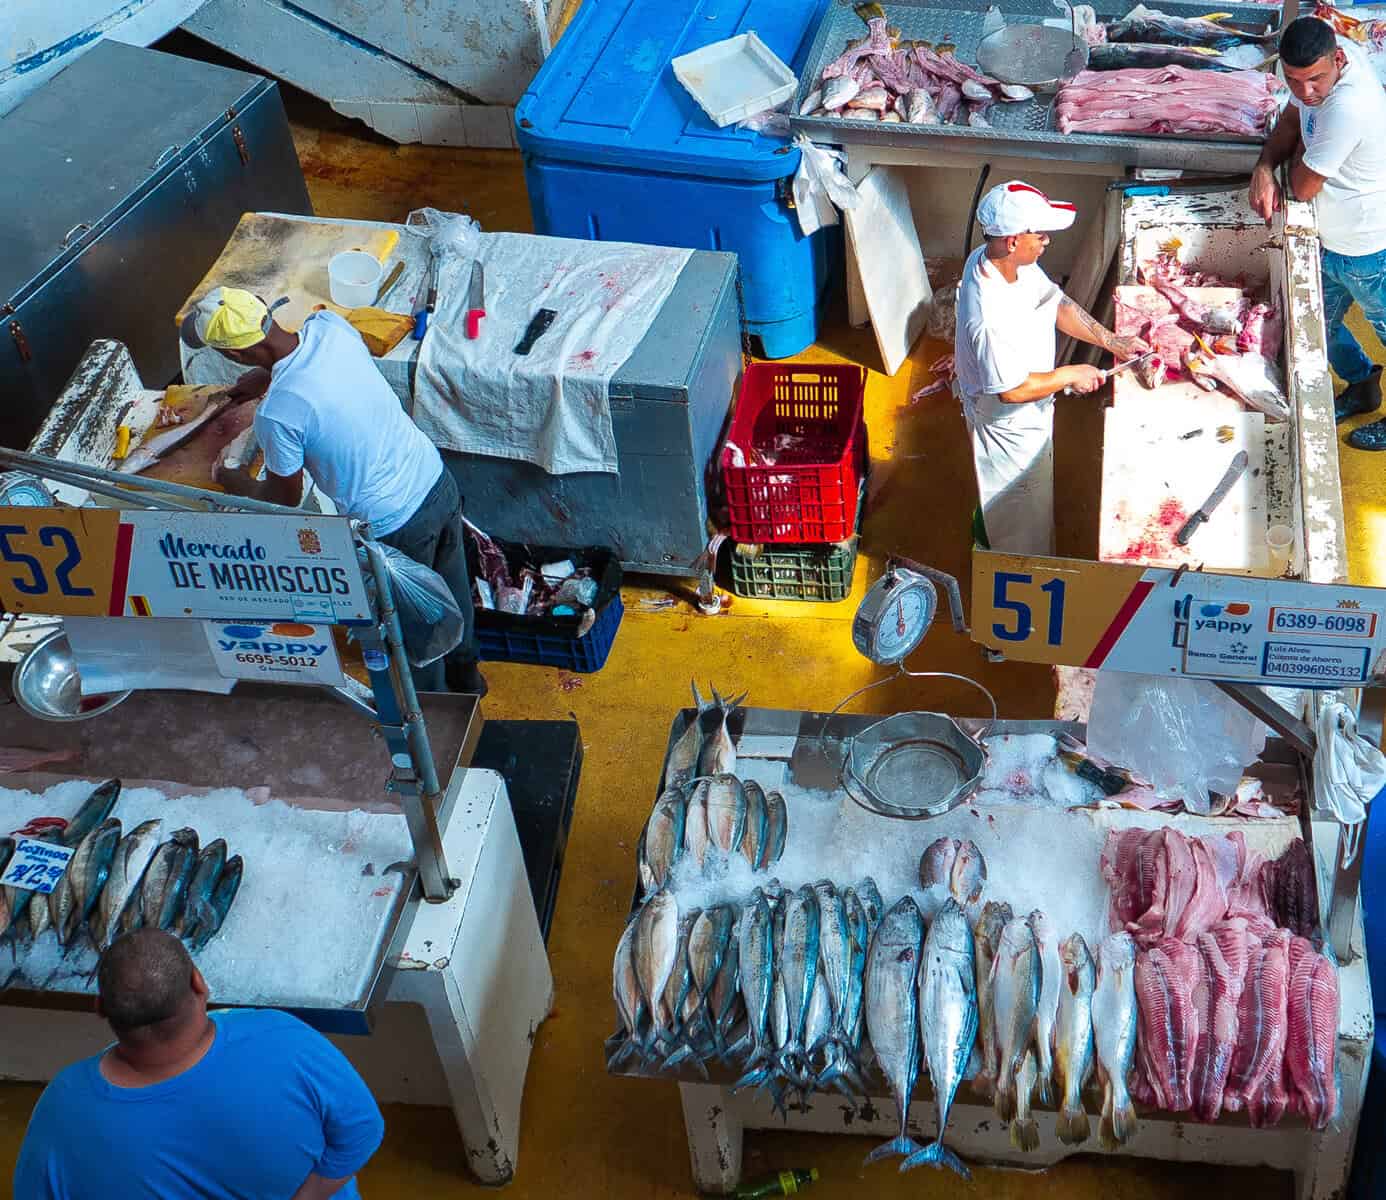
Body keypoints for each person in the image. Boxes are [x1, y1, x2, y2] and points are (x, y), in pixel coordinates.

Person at [180, 286, 485, 694]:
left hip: (393, 525)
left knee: (417, 635)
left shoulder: (279, 413)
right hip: (434, 480)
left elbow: (283, 499)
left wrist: (235, 482)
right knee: (451, 594)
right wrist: (267, 375)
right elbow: (320, 378)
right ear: (265, 316)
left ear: (233, 355)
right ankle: (469, 681)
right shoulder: (329, 328)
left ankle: (436, 714)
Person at [14, 929, 385, 1199]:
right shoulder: (283, 1037)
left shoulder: (62, 1107)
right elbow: (363, 1129)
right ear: (199, 983)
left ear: (100, 1009)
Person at [954, 180, 1149, 555]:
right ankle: (1008, 567)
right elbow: (1011, 390)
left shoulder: (1005, 261)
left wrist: (1112, 341)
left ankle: (993, 528)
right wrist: (1070, 375)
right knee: (1019, 520)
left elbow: (1056, 304)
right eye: (1040, 235)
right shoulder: (989, 315)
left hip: (1030, 407)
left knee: (1023, 502)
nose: (1047, 242)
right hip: (1009, 425)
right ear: (1012, 240)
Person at [1250, 16, 1386, 445]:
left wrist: (1285, 166)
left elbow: (1304, 187)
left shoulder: (1347, 107)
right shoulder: (1319, 65)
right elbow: (1290, 123)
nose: (1306, 92)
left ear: (1340, 60)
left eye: (1315, 80)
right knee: (1318, 326)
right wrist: (1264, 166)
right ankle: (1362, 385)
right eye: (1293, 80)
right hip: (1330, 239)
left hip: (1368, 247)